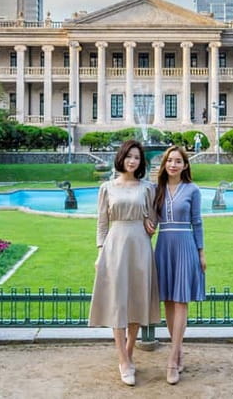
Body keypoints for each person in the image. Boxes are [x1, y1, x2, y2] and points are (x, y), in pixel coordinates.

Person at [89, 140, 160, 386]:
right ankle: (122, 359)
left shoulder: (148, 187)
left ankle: (129, 354)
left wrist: (152, 227)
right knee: (118, 303)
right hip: (115, 245)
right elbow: (101, 224)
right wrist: (100, 252)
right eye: (129, 156)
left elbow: (153, 219)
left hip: (140, 245)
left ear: (141, 162)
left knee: (137, 302)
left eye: (137, 158)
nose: (133, 161)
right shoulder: (107, 187)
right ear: (121, 158)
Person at [152, 145, 206, 385]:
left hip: (185, 244)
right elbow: (151, 219)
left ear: (185, 165)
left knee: (181, 299)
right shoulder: (157, 189)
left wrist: (201, 253)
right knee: (168, 301)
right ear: (164, 165)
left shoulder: (193, 189)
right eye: (169, 161)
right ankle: (179, 349)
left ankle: (173, 358)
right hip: (164, 245)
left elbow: (198, 222)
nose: (173, 165)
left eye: (178, 161)